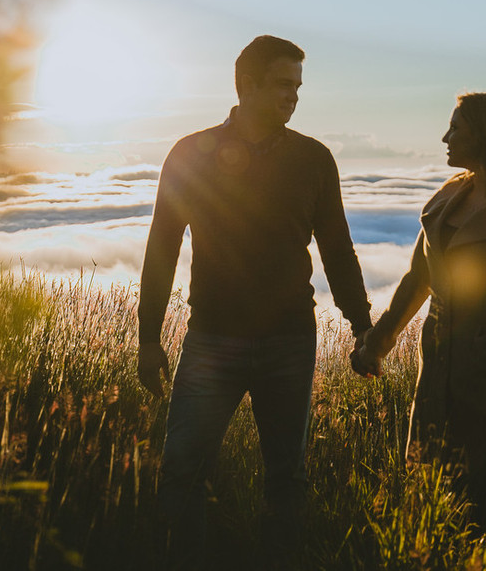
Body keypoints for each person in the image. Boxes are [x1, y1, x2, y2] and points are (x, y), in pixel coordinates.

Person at [137, 35, 374, 567]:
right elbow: (161, 247)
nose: (293, 96)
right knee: (182, 471)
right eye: (282, 85)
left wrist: (363, 325)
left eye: (297, 86)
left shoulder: (313, 159)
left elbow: (337, 246)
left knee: (286, 478)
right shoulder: (189, 154)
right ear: (245, 85)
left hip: (290, 340)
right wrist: (147, 339)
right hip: (211, 339)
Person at [352, 91, 486, 534]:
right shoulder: (449, 196)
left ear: (485, 136)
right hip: (438, 374)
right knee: (436, 500)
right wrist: (377, 343)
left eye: (456, 128)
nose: (445, 137)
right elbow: (417, 280)